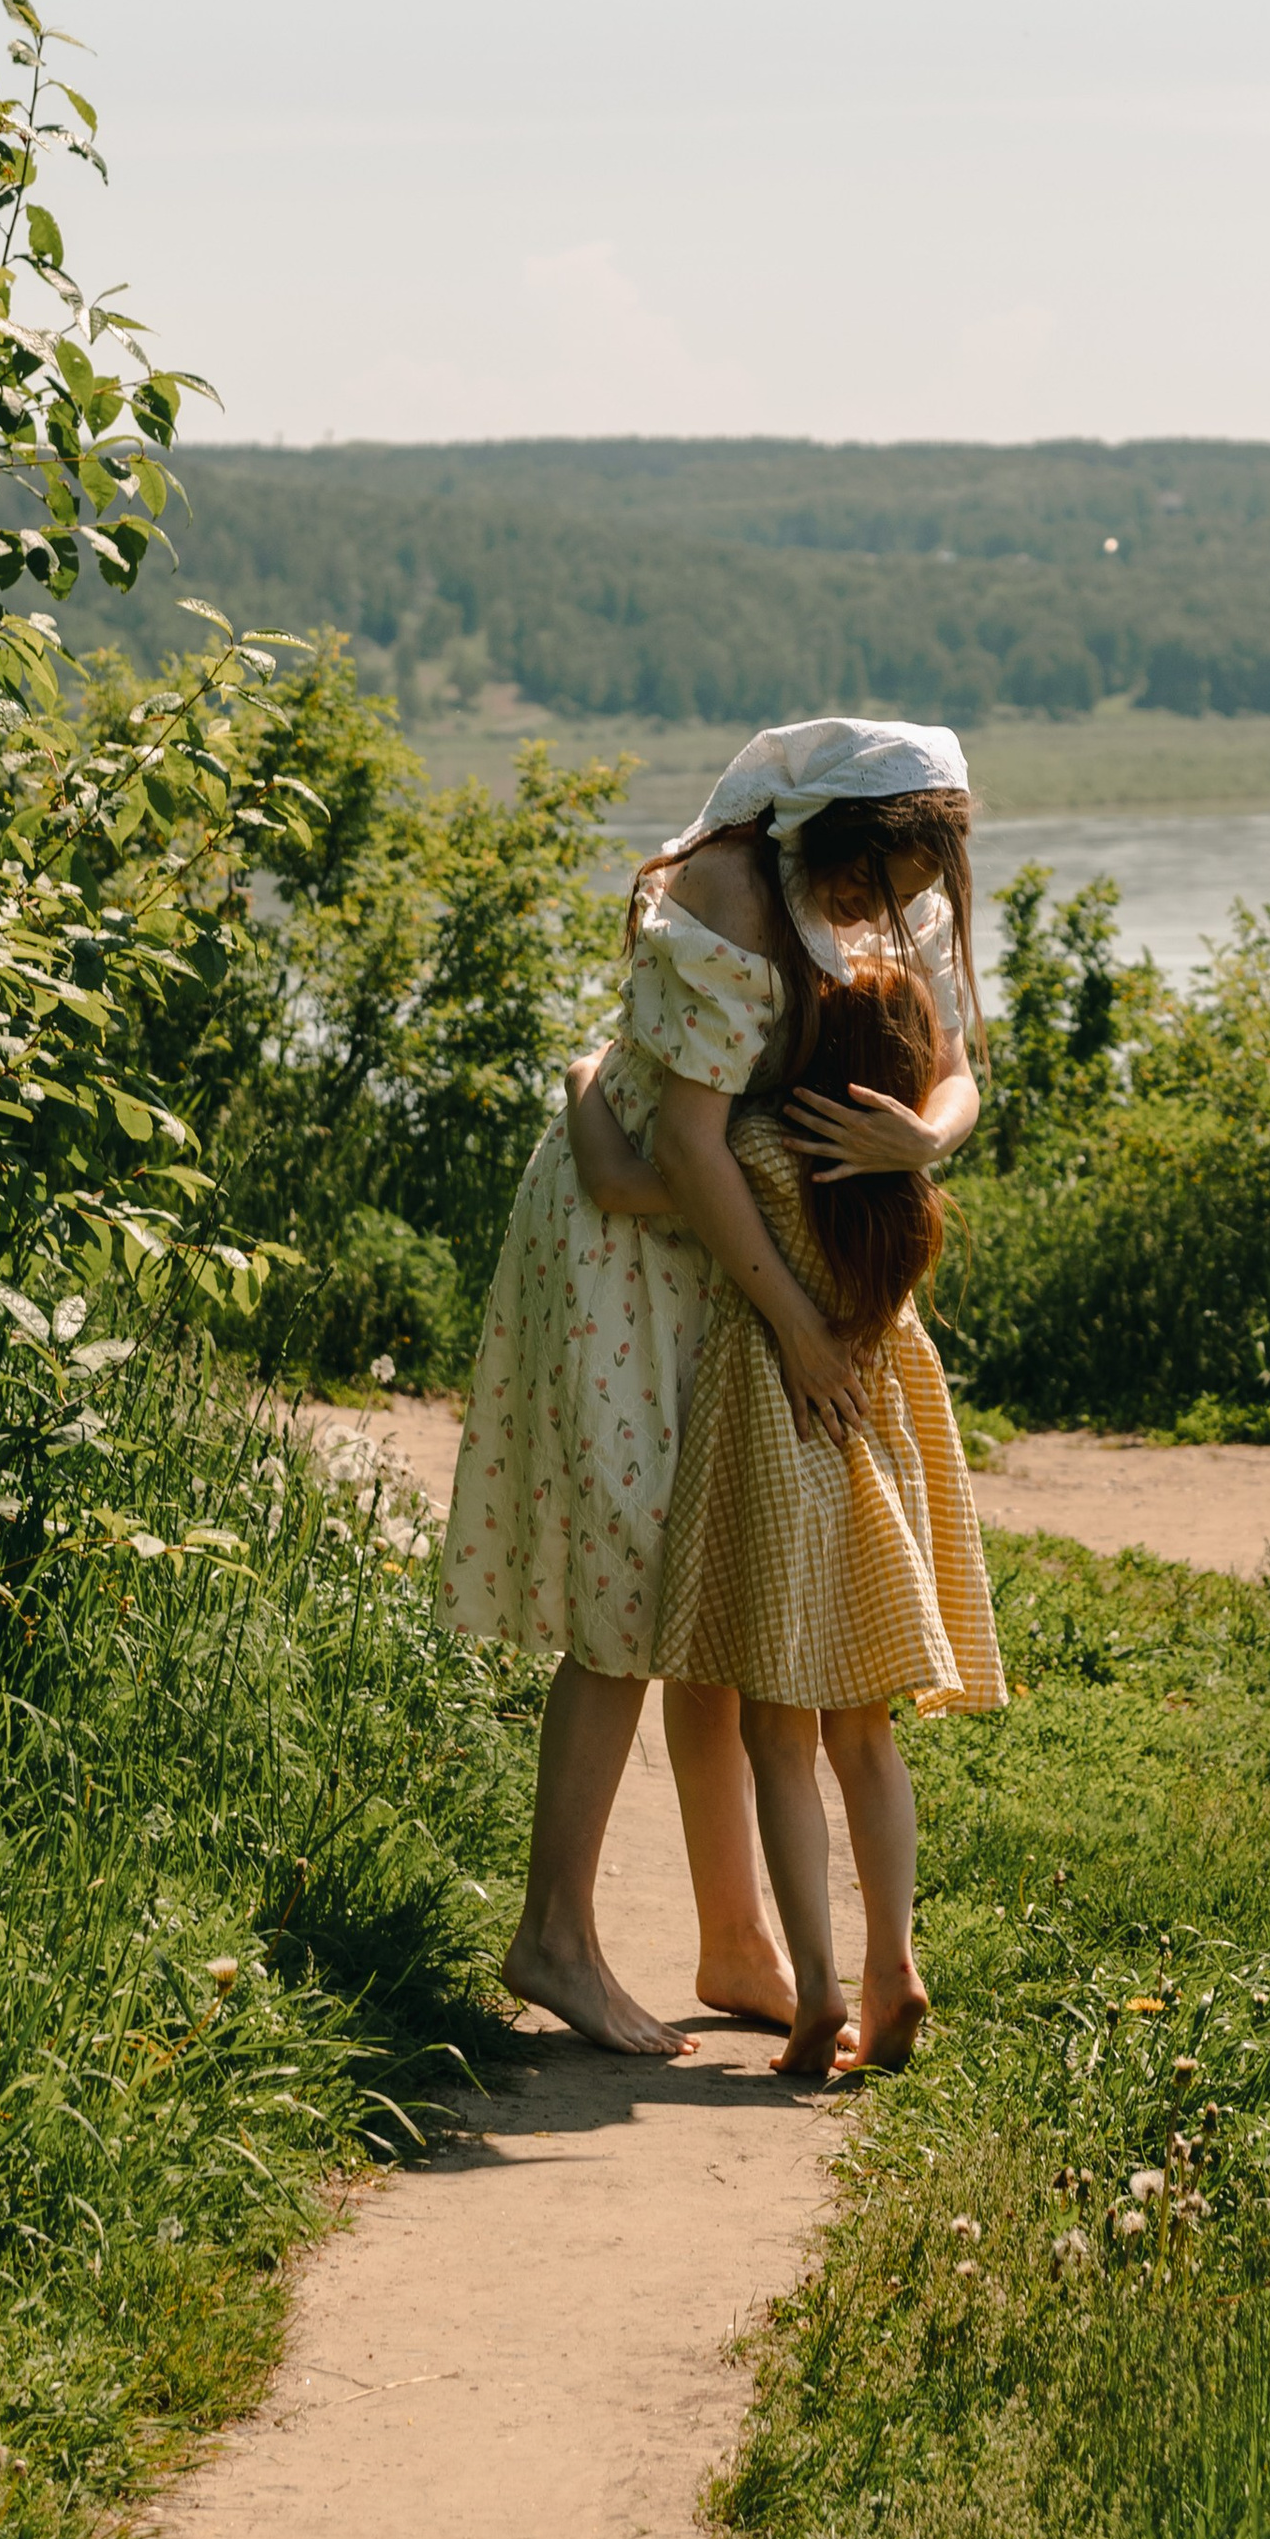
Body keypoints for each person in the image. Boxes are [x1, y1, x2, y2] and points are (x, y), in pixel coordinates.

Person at [440, 717, 983, 2055]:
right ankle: (555, 1930)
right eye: (873, 886)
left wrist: (926, 1134)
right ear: (830, 841)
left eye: (907, 894)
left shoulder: (876, 894)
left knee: (714, 1574)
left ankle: (737, 1936)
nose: (885, 913)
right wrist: (800, 1321)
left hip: (744, 1244)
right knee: (634, 1573)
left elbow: (960, 1065)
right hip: (641, 1243)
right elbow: (671, 1153)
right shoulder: (734, 886)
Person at [571, 959, 1005, 2074]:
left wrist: (585, 1078)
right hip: (873, 1490)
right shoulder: (905, 1198)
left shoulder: (761, 1154)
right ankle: (892, 1962)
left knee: (777, 1733)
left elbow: (620, 1178)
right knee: (865, 1737)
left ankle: (814, 1986)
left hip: (770, 1466)